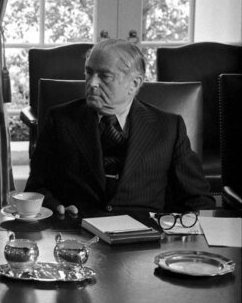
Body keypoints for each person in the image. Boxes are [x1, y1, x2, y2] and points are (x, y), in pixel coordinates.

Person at [25, 38, 214, 217]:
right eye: (89, 72)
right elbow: (36, 188)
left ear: (134, 84)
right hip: (79, 233)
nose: (92, 83)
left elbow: (198, 199)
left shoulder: (169, 128)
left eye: (104, 76)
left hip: (144, 239)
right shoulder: (60, 120)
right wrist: (55, 207)